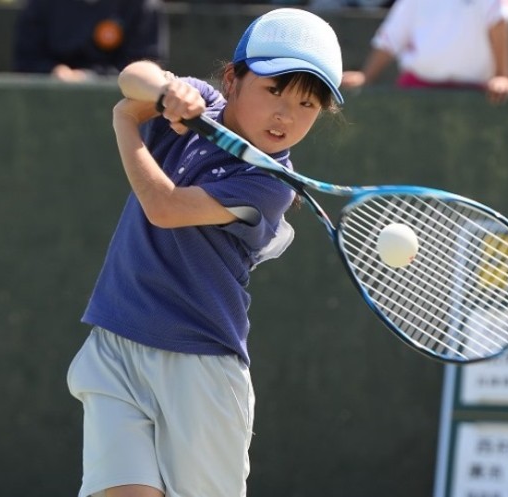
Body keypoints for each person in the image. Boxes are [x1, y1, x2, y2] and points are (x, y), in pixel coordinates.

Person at [66, 7, 344, 497]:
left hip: (200, 369)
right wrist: (165, 92)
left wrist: (125, 124)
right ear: (233, 79)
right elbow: (134, 75)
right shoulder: (206, 101)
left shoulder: (269, 185)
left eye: (307, 105)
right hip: (116, 342)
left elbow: (164, 207)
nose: (286, 114)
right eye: (274, 90)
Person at [341, 0, 508, 104]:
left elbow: (499, 22)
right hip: (415, 91)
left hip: (476, 96)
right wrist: (366, 76)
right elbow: (391, 37)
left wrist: (503, 75)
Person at [13, 0, 168, 82]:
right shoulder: (40, 4)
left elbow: (145, 66)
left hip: (120, 111)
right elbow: (26, 59)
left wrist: (89, 76)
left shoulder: (142, 4)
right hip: (45, 104)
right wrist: (54, 71)